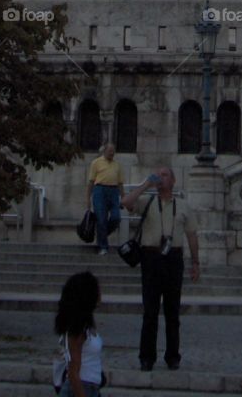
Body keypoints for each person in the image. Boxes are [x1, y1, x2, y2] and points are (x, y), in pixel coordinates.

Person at [123, 164, 200, 370]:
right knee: (150, 311)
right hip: (151, 257)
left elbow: (192, 235)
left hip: (173, 258)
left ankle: (172, 355)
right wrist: (146, 184)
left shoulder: (183, 206)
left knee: (172, 311)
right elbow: (126, 202)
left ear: (173, 181)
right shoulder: (147, 201)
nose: (161, 178)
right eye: (158, 175)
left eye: (164, 175)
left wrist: (195, 262)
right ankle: (146, 356)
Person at [55, 270, 105, 397]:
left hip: (91, 386)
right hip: (81, 388)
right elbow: (73, 372)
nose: (100, 294)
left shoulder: (87, 326)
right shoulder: (77, 330)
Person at [86, 142, 124, 256]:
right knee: (101, 219)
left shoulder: (117, 165)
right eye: (110, 151)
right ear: (105, 151)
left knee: (116, 217)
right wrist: (88, 198)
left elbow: (120, 183)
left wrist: (123, 197)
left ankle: (101, 234)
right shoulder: (96, 163)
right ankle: (103, 246)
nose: (112, 153)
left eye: (113, 151)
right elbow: (91, 181)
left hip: (114, 191)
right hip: (100, 191)